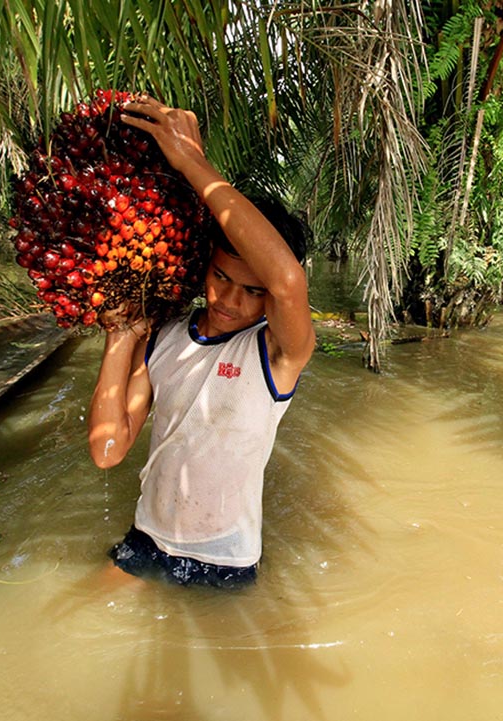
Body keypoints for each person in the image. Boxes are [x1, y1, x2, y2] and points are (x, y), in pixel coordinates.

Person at [87, 96, 316, 588]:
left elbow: (288, 281)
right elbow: (108, 451)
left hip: (225, 560)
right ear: (202, 266)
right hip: (147, 539)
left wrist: (192, 162)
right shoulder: (165, 336)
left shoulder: (276, 356)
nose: (231, 300)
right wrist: (120, 337)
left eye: (254, 291)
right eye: (220, 276)